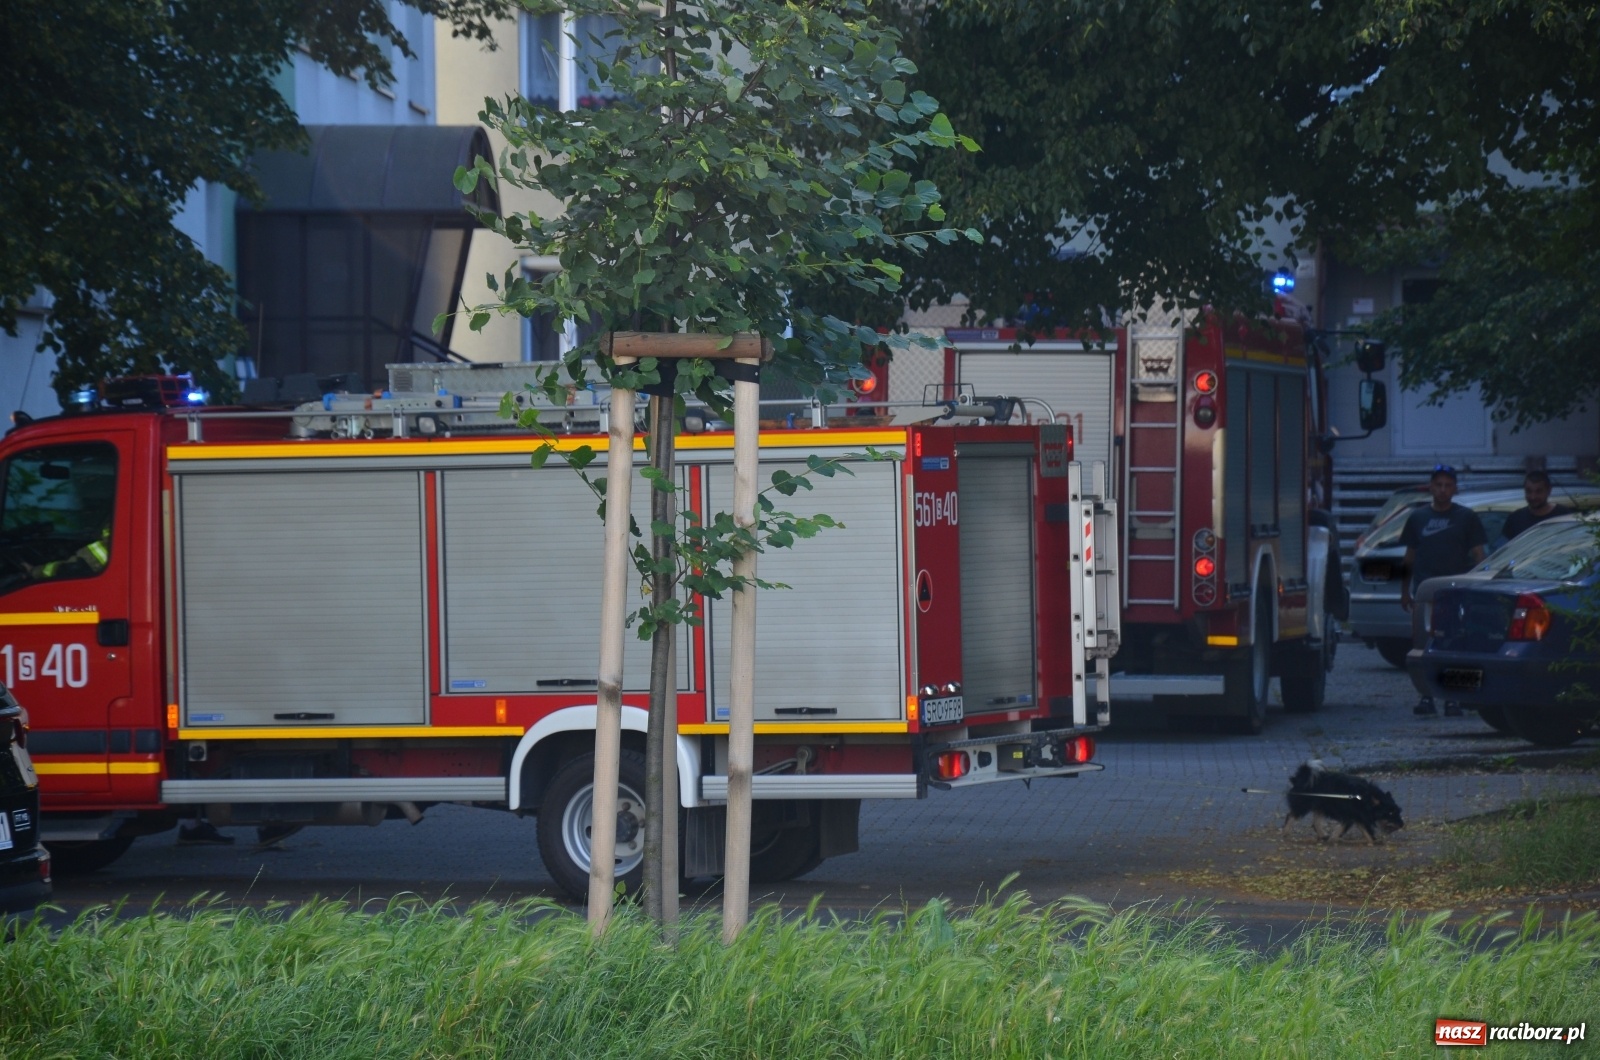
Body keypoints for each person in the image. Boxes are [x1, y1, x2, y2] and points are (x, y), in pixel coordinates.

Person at [1399, 465, 1487, 716]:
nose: (1443, 490)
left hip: (1456, 591)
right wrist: (1404, 591)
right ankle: (1426, 696)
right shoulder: (1418, 518)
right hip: (1425, 592)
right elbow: (1409, 557)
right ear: (1431, 487)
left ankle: (1452, 698)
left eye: (1448, 485)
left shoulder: (1466, 517)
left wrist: (1481, 586)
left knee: (1455, 645)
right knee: (1424, 644)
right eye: (1438, 485)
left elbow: (1478, 555)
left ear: (1455, 488)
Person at [1501, 470, 1573, 542]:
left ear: (1549, 491)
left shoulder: (1563, 515)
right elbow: (1502, 545)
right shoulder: (1515, 519)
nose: (1533, 497)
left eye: (1538, 491)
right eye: (1529, 491)